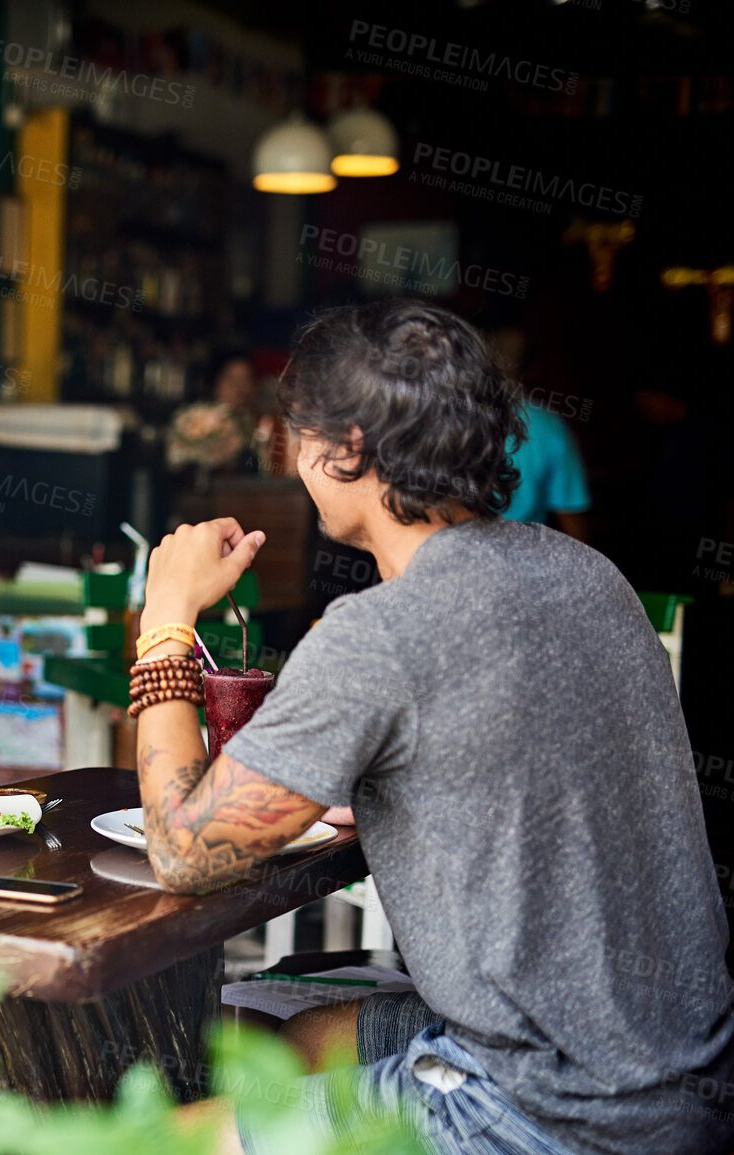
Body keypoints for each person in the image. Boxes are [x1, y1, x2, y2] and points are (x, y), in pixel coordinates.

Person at [130, 300, 733, 1154]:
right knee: (276, 1037)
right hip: (683, 1075)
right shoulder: (590, 575)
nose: (294, 458)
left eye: (300, 436)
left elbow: (181, 852)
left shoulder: (381, 632)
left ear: (345, 450)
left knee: (148, 1140)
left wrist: (164, 618)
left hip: (547, 1109)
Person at [492, 326, 591, 542]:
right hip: (525, 562)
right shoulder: (550, 425)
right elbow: (571, 516)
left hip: (454, 560)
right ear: (533, 369)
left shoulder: (447, 415)